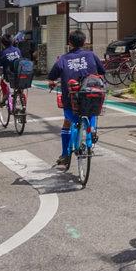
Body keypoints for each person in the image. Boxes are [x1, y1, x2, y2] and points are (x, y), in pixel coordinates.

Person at [47, 29, 106, 170]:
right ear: (84, 42)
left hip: (71, 100)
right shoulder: (91, 55)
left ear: (69, 43)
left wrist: (52, 82)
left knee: (68, 122)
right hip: (91, 98)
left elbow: (51, 76)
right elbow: (102, 71)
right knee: (91, 113)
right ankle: (90, 133)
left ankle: (65, 154)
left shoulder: (63, 59)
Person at [0, 34, 22, 106]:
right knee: (18, 87)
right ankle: (20, 96)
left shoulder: (3, 53)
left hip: (9, 76)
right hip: (20, 74)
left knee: (2, 81)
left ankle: (6, 95)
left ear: (2, 43)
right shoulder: (18, 50)